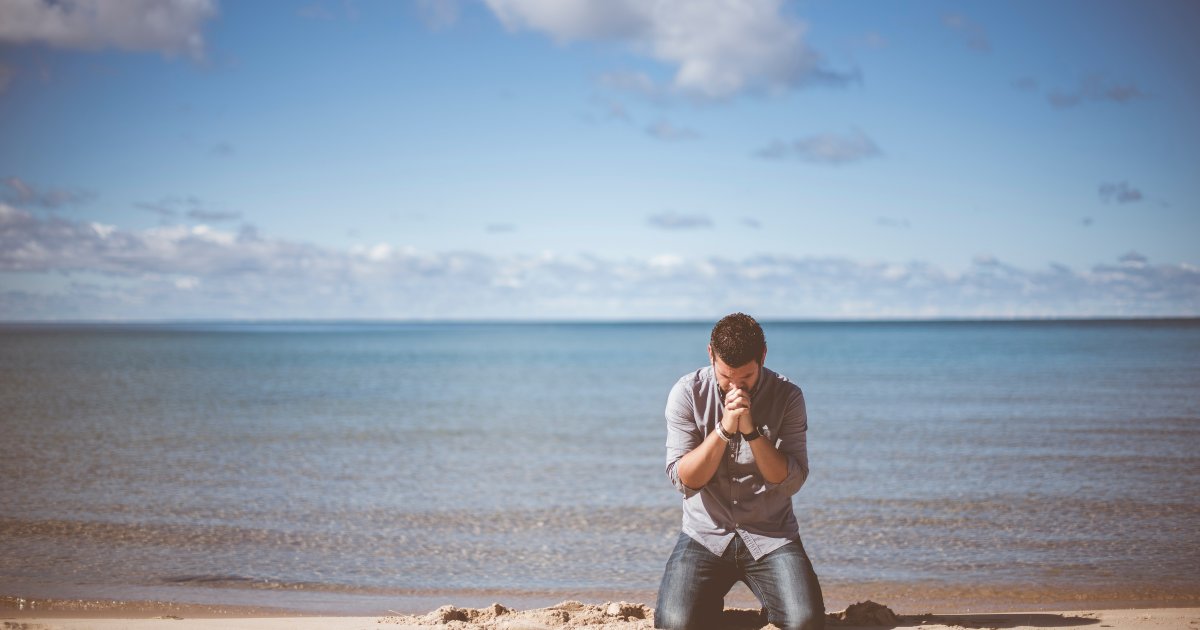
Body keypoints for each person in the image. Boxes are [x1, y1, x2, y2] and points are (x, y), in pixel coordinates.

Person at [654, 313, 824, 630]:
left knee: (805, 622)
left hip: (771, 535)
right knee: (674, 624)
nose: (735, 387)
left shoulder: (788, 396)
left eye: (745, 377)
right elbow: (684, 480)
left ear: (762, 357)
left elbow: (790, 482)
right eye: (725, 376)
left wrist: (751, 432)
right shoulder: (688, 392)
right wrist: (723, 430)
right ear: (710, 355)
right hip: (704, 535)